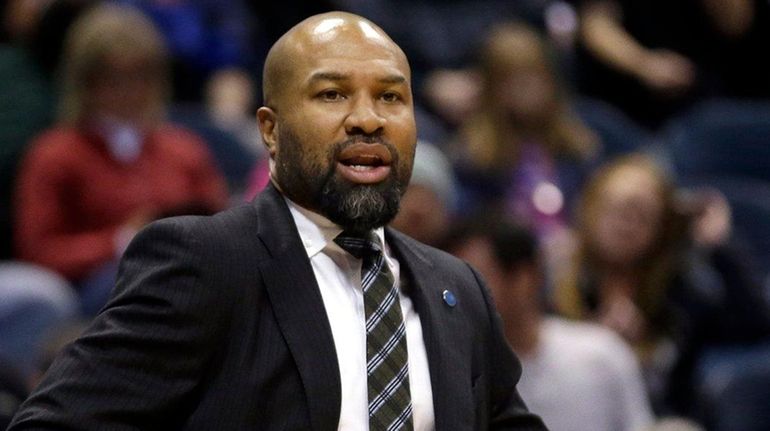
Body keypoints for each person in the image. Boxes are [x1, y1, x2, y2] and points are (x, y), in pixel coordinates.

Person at [8, 12, 547, 430]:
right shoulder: (206, 262)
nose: (368, 118)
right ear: (270, 130)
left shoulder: (458, 287)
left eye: (391, 97)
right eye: (332, 94)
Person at [13, 4, 228, 314]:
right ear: (85, 82)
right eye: (113, 79)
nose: (129, 92)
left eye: (140, 76)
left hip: (191, 274)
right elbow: (38, 252)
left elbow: (220, 224)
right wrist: (120, 241)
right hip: (99, 291)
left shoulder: (184, 149)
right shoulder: (53, 154)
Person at [553, 154, 770, 418]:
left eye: (641, 216)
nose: (626, 225)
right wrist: (598, 346)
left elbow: (753, 324)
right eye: (616, 211)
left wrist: (721, 247)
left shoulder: (681, 290)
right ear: (590, 210)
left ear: (661, 228)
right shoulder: (555, 279)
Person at [444, 216, 654, 431]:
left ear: (525, 278)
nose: (459, 295)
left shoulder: (602, 354)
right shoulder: (451, 374)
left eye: (474, 279)